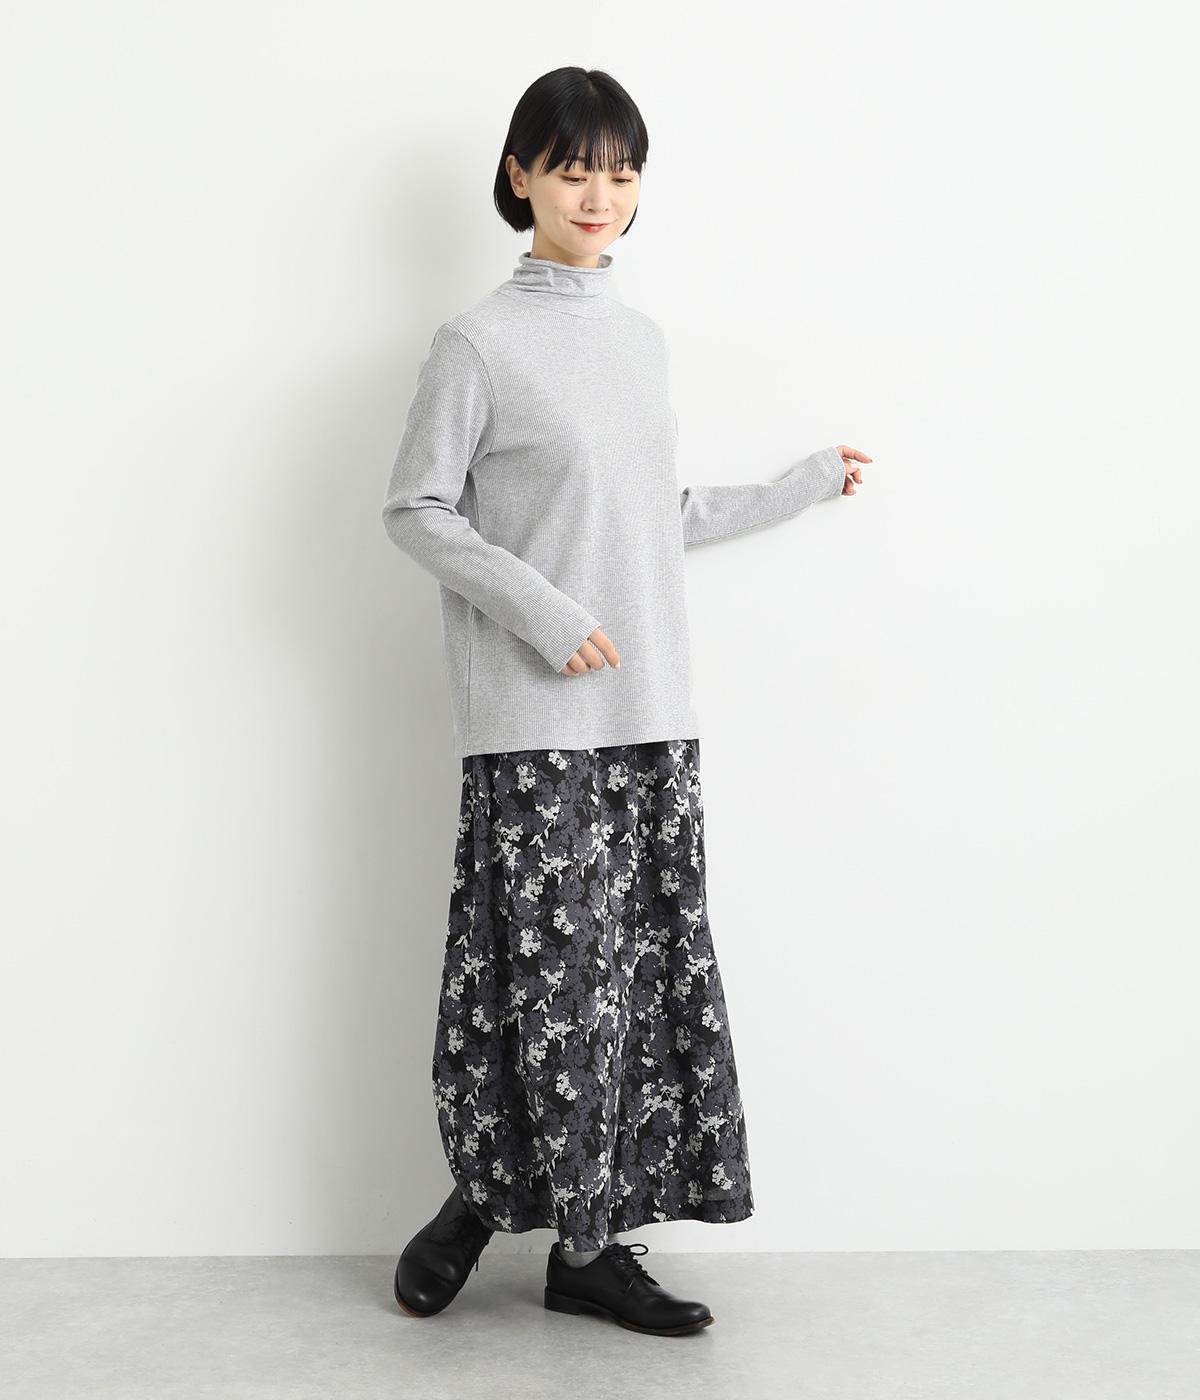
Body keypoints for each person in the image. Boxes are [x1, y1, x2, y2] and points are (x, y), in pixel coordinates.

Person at [382, 66, 868, 1338]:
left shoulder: (639, 340)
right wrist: (545, 611)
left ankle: (584, 1247)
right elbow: (416, 509)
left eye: (620, 170)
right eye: (572, 167)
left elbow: (650, 517)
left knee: (633, 985)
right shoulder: (477, 343)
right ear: (520, 175)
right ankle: (481, 1199)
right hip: (535, 720)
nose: (599, 193)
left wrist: (800, 484)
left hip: (652, 712)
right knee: (540, 984)